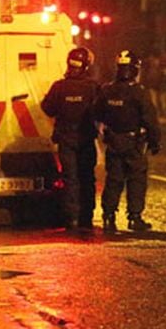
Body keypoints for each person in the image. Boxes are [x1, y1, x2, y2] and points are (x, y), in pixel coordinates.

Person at [96, 50, 161, 232]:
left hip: (114, 142)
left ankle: (108, 217)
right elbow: (150, 119)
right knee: (136, 181)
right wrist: (155, 141)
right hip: (134, 145)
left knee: (114, 180)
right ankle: (134, 218)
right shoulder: (138, 92)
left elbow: (96, 113)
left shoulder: (107, 90)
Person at [42, 47, 100, 231]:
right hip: (86, 139)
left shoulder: (59, 87)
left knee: (70, 179)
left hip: (66, 140)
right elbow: (102, 110)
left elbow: (47, 108)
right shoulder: (93, 88)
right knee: (87, 178)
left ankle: (72, 218)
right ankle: (86, 217)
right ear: (86, 66)